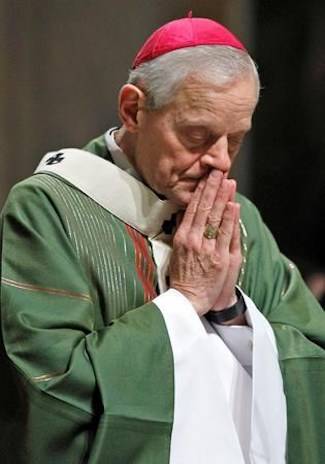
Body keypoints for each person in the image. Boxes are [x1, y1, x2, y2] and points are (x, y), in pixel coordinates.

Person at [0, 15, 324, 464]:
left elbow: (312, 360)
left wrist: (232, 313)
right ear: (133, 110)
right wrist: (184, 303)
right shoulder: (49, 209)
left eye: (235, 140)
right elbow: (46, 388)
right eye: (197, 135)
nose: (219, 162)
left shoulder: (239, 219)